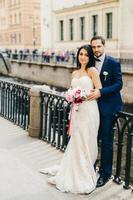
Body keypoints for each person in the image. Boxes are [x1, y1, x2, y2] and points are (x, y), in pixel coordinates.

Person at [40, 45, 102, 194]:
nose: (83, 57)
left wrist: (82, 96)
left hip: (89, 110)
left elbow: (99, 91)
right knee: (76, 140)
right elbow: (71, 89)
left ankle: (85, 173)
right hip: (77, 111)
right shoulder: (74, 72)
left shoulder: (92, 71)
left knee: (87, 141)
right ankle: (74, 170)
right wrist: (72, 96)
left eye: (86, 55)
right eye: (81, 54)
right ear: (78, 56)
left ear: (90, 57)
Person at [89, 36, 123, 187]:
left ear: (104, 46)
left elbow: (118, 84)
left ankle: (105, 174)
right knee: (92, 139)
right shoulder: (90, 62)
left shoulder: (113, 62)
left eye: (98, 46)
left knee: (107, 142)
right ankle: (90, 168)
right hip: (92, 108)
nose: (96, 49)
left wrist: (100, 92)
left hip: (108, 107)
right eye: (94, 47)